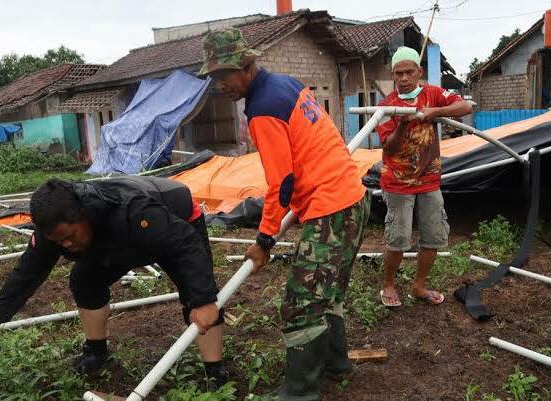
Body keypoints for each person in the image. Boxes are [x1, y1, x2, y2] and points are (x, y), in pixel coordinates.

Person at [199, 28, 371, 401]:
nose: (219, 86)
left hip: (332, 209)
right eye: (213, 78)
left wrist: (263, 240)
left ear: (246, 65)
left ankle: (299, 393)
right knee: (326, 294)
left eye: (223, 75)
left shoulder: (263, 109)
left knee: (301, 303)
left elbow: (282, 184)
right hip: (352, 197)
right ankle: (335, 364)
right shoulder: (284, 84)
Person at [0, 176, 228, 390]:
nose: (65, 245)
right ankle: (96, 352)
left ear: (84, 215)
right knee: (84, 279)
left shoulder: (134, 212)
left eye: (69, 237)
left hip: (174, 217)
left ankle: (215, 373)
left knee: (197, 291)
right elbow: (27, 273)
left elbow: (187, 245)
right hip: (117, 239)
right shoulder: (54, 230)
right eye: (59, 242)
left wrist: (204, 300)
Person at [377, 46, 472, 307]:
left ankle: (419, 286)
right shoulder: (387, 106)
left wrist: (436, 112)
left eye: (409, 72)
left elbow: (464, 107)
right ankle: (388, 285)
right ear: (393, 75)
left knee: (433, 235)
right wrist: (404, 124)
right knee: (398, 238)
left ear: (419, 72)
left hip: (429, 179)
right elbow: (389, 148)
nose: (404, 78)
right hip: (398, 182)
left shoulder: (432, 94)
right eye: (399, 74)